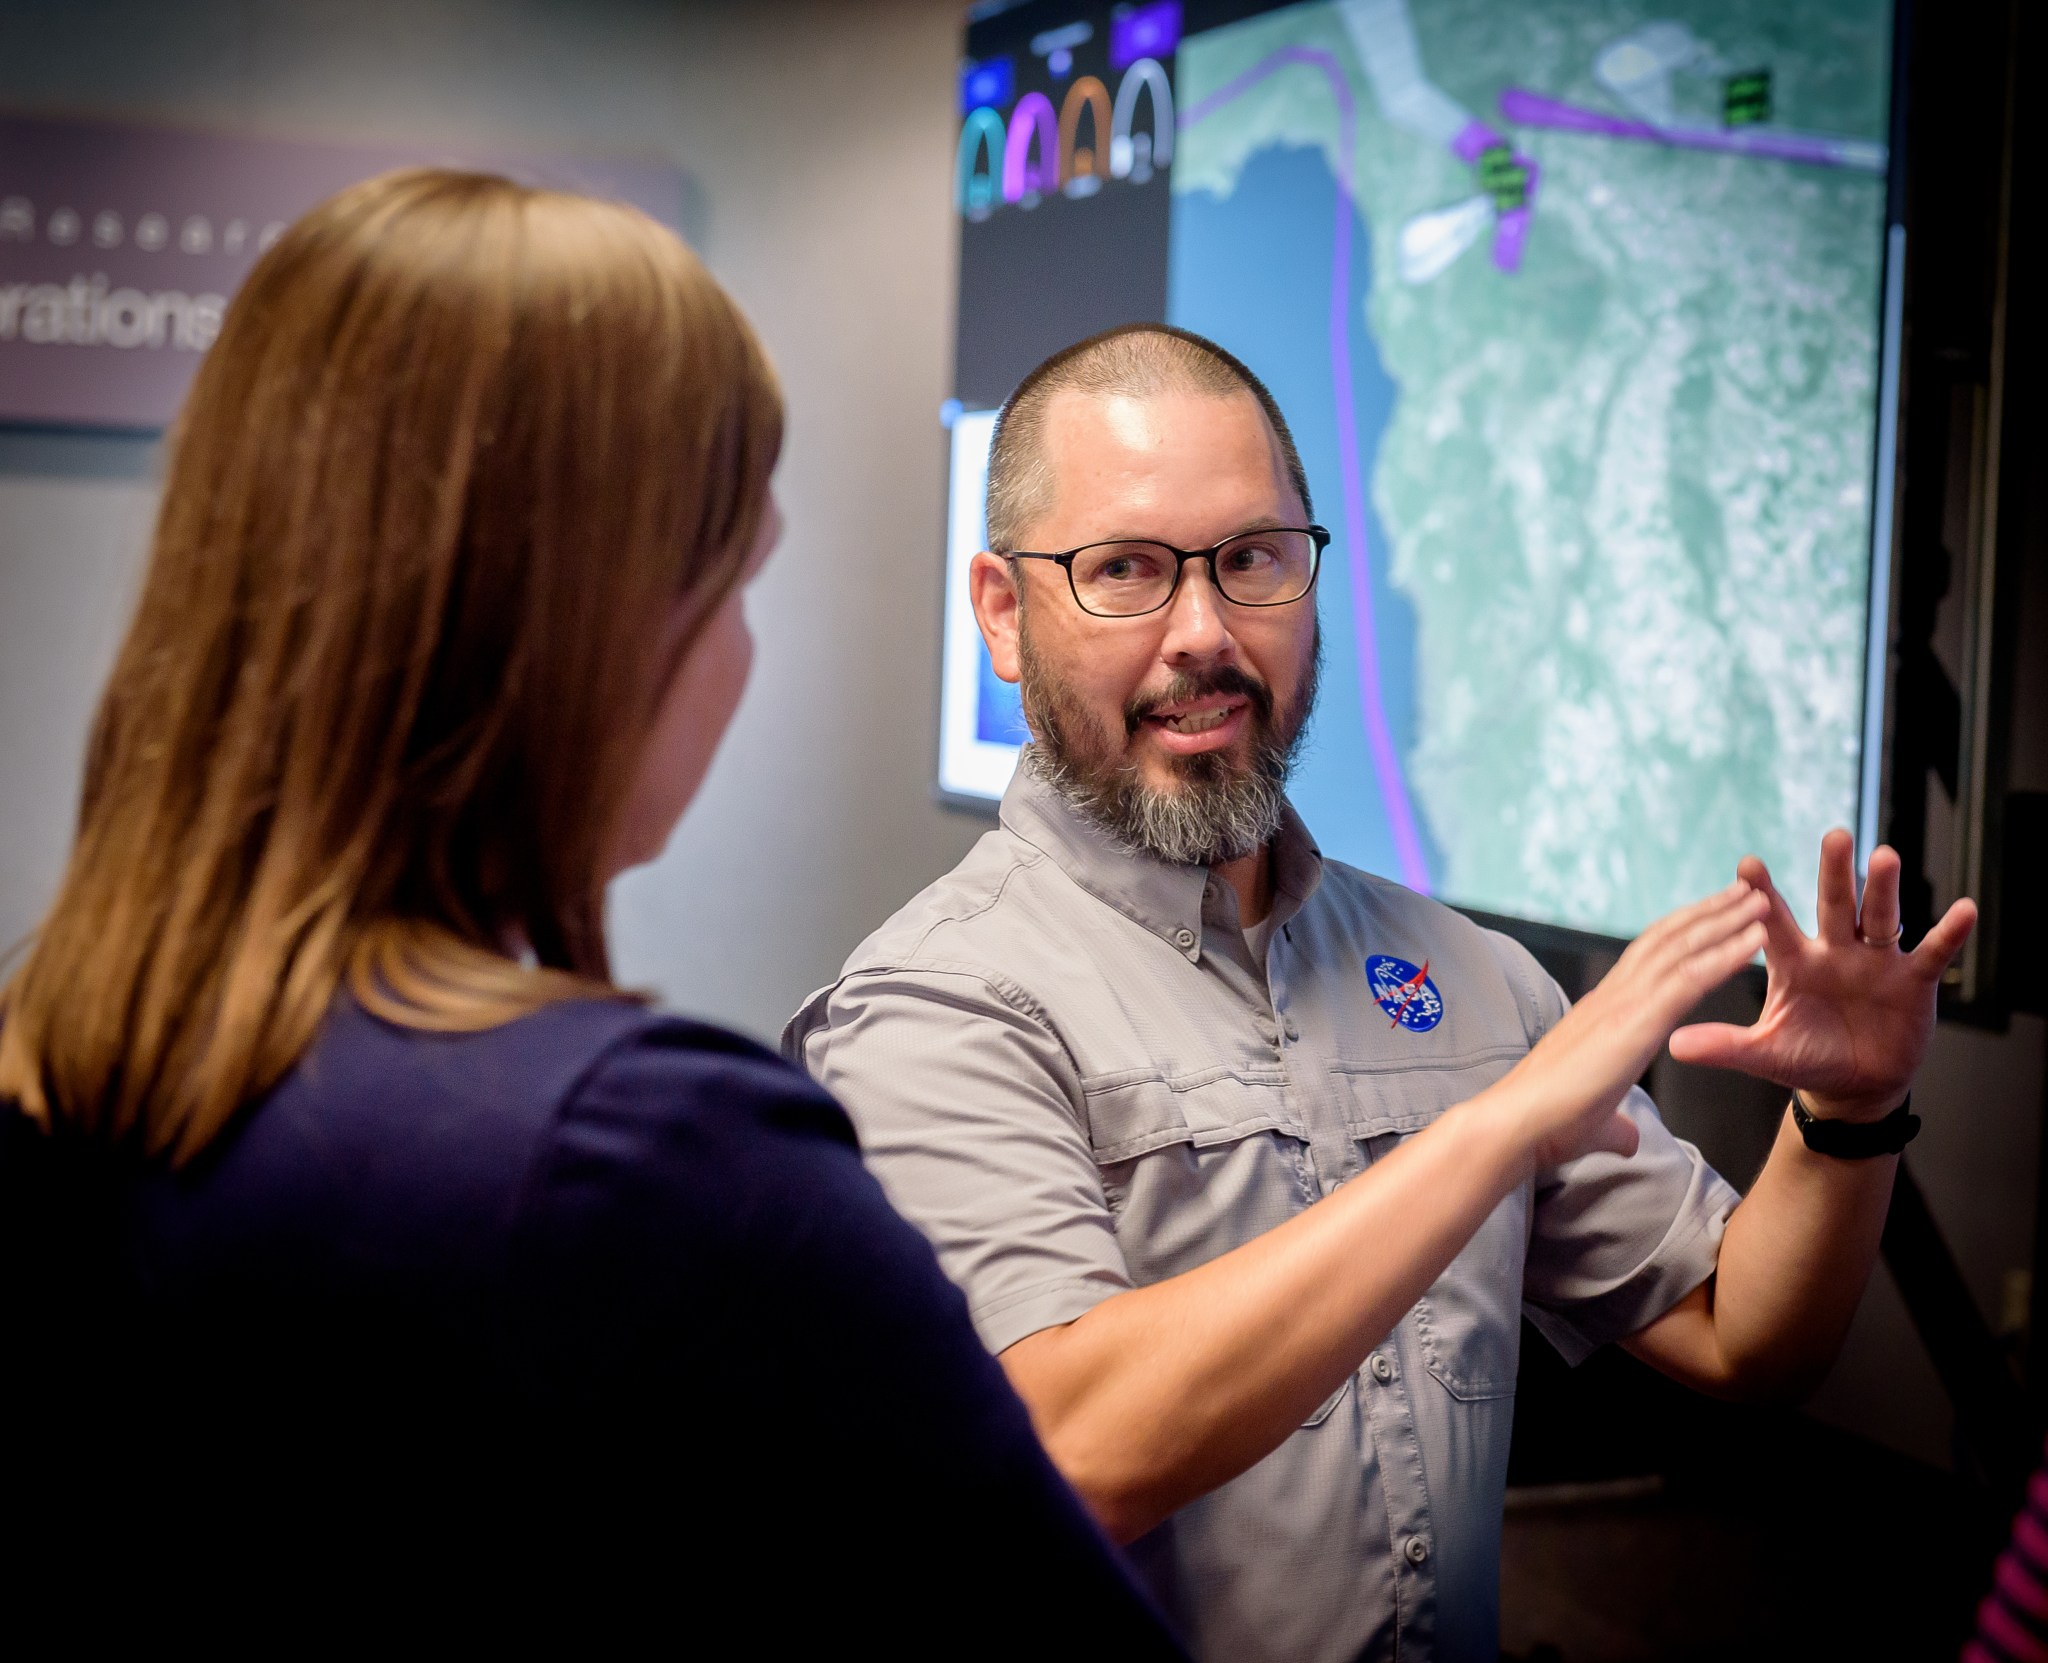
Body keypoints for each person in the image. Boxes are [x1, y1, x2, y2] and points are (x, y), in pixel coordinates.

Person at [0, 172, 1183, 1651]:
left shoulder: (63, 1073)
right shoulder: (638, 1158)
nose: (742, 656)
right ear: (589, 619)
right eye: (734, 580)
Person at [787, 323, 1978, 1663]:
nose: (1204, 633)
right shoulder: (931, 1010)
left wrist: (1853, 1110)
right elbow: (1074, 1446)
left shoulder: (1470, 976)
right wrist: (1497, 1132)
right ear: (1004, 612)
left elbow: (1741, 1334)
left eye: (1252, 562)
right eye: (1123, 569)